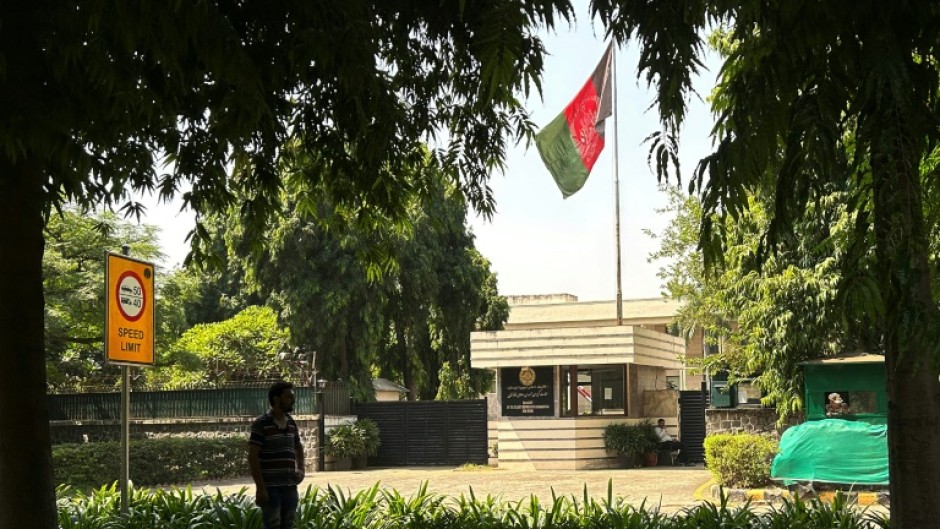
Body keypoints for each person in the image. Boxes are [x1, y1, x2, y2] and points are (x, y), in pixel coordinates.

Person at [249, 381, 305, 529]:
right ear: (276, 399)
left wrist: (301, 469)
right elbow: (253, 457)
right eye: (288, 397)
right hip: (271, 489)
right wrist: (260, 488)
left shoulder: (291, 423)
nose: (292, 400)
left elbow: (298, 447)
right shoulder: (261, 423)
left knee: (289, 526)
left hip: (290, 488)